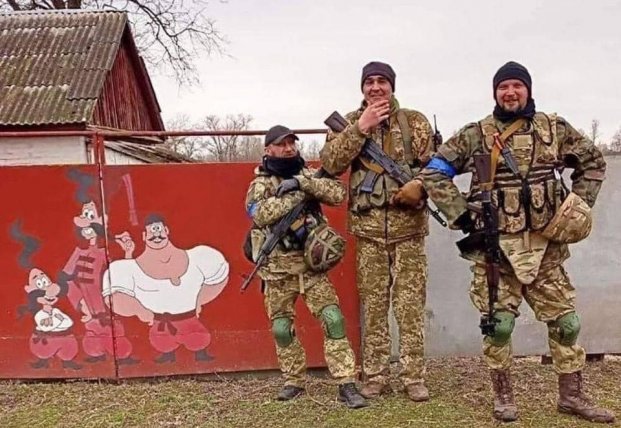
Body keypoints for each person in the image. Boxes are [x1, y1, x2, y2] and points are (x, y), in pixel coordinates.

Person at [393, 61, 614, 423]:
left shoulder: (554, 129)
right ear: (495, 93)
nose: (510, 93)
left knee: (567, 323)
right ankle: (503, 396)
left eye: (516, 86)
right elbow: (434, 172)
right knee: (499, 327)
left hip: (546, 249)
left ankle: (571, 396)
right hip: (496, 251)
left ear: (528, 89)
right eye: (503, 87)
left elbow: (592, 162)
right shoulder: (475, 135)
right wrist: (462, 216)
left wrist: (577, 208)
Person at [320, 61, 433, 401]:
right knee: (373, 306)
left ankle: (413, 377)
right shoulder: (349, 124)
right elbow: (330, 163)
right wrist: (360, 129)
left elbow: (437, 168)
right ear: (362, 88)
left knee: (410, 306)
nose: (375, 87)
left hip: (409, 230)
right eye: (369, 82)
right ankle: (376, 375)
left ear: (392, 86)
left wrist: (419, 185)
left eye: (382, 81)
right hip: (368, 231)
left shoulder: (415, 122)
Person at [245, 125, 367, 409]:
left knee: (333, 320)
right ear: (268, 149)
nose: (288, 148)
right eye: (281, 144)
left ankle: (346, 382)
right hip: (278, 272)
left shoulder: (308, 175)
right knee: (281, 328)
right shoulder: (260, 184)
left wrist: (302, 184)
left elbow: (337, 193)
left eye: (292, 143)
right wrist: (296, 194)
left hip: (312, 269)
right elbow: (260, 213)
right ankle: (294, 381)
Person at [103, 215, 229, 363]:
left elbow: (217, 279)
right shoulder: (129, 268)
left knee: (197, 340)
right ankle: (168, 356)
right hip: (161, 325)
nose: (156, 235)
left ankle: (200, 353)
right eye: (151, 231)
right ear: (144, 236)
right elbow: (116, 296)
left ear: (167, 230)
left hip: (190, 319)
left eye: (159, 229)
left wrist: (199, 300)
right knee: (163, 343)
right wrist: (141, 311)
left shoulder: (198, 257)